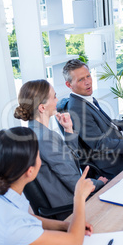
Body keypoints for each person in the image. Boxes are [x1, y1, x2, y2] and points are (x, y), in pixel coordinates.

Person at [0, 126, 95, 245]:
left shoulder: (4, 195)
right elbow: (74, 243)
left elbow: (24, 218)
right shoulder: (11, 224)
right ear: (30, 171)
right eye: (38, 155)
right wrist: (79, 197)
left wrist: (63, 225)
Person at [14, 80, 107, 219]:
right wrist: (99, 183)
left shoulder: (35, 133)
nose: (57, 100)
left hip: (64, 201)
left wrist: (68, 130)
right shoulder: (45, 138)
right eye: (54, 97)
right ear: (42, 108)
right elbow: (73, 181)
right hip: (70, 207)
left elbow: (69, 160)